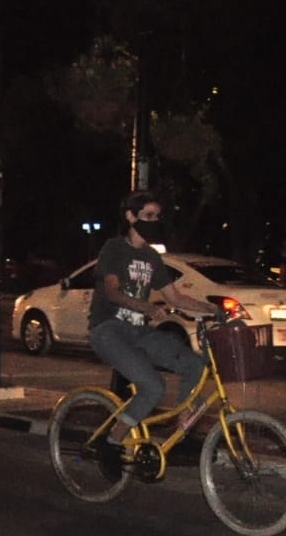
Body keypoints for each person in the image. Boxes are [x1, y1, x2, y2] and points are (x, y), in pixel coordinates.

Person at [87, 190, 218, 459]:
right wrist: (147, 307)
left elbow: (175, 297)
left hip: (139, 331)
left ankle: (183, 428)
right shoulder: (114, 248)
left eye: (157, 216)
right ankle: (111, 442)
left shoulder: (152, 257)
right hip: (108, 330)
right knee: (153, 386)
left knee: (195, 364)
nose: (154, 221)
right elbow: (112, 292)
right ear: (131, 216)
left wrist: (214, 309)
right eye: (148, 216)